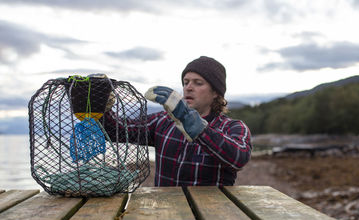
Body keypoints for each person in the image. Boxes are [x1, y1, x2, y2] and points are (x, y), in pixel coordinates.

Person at [103, 56, 252, 186]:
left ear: (216, 93)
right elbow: (117, 130)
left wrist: (196, 126)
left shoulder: (233, 127)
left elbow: (239, 158)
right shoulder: (163, 121)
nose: (188, 88)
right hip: (166, 213)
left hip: (210, 216)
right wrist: (100, 107)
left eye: (198, 83)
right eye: (185, 82)